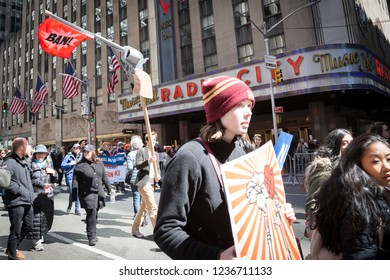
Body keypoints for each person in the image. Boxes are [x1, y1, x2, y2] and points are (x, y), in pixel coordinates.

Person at [154, 76, 296, 260]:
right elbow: (166, 230)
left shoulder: (242, 152)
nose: (249, 112)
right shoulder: (190, 157)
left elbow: (251, 213)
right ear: (220, 109)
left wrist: (278, 216)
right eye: (240, 105)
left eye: (249, 105)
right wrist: (217, 257)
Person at [313, 133, 390, 259]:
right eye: (376, 161)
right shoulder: (360, 204)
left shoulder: (375, 190)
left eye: (388, 159)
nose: (386, 167)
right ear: (358, 165)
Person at [303, 128, 353, 238]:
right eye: (344, 143)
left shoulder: (352, 166)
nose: (350, 146)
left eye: (351, 142)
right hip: (332, 232)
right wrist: (329, 226)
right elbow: (312, 203)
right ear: (335, 145)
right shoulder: (324, 168)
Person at [72, 144, 112, 246]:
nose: (86, 154)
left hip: (98, 193)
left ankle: (92, 232)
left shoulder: (99, 163)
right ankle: (91, 236)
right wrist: (74, 193)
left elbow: (104, 177)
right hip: (87, 194)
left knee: (95, 213)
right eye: (85, 152)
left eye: (88, 152)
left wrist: (109, 189)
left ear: (93, 152)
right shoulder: (79, 165)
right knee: (91, 213)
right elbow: (75, 180)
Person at [1, 138, 35, 260]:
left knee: (29, 227)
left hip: (27, 200)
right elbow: (5, 182)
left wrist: (43, 184)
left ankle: (12, 248)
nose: (29, 148)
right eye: (27, 145)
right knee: (16, 230)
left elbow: (31, 178)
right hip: (16, 202)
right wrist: (22, 191)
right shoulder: (9, 162)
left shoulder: (24, 161)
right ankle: (12, 257)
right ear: (21, 147)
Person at [27, 145, 57, 251]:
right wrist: (42, 184)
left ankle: (41, 234)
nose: (41, 155)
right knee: (36, 219)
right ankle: (37, 241)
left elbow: (54, 180)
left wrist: (54, 173)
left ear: (46, 155)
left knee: (47, 218)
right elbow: (29, 180)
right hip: (35, 195)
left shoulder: (48, 164)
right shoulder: (30, 164)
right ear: (35, 154)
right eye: (39, 153)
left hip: (48, 196)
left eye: (43, 154)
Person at [131, 131, 160, 238]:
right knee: (153, 208)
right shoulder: (141, 151)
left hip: (151, 184)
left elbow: (157, 168)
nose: (152, 142)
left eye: (154, 140)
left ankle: (135, 229)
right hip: (143, 184)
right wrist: (148, 161)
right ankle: (159, 234)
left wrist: (158, 176)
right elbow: (138, 166)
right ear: (146, 141)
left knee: (143, 208)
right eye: (150, 140)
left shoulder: (156, 154)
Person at [61, 143, 81, 215]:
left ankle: (77, 209)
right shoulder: (68, 156)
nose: (77, 149)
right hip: (70, 176)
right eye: (76, 148)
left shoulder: (81, 156)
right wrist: (70, 164)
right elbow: (62, 165)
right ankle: (69, 206)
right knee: (72, 192)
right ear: (73, 149)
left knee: (77, 192)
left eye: (79, 148)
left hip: (78, 176)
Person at [126, 136, 143, 219]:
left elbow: (129, 168)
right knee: (143, 198)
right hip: (144, 178)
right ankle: (144, 216)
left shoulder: (130, 154)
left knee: (136, 197)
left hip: (134, 178)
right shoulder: (144, 152)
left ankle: (137, 216)